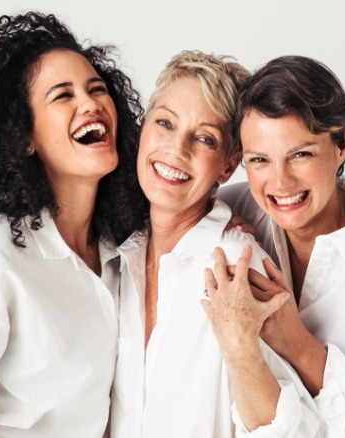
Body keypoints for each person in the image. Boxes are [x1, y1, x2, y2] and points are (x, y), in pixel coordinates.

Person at [0, 12, 148, 436]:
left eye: (96, 89)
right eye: (63, 95)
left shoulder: (123, 254)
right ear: (23, 137)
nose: (90, 104)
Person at [108, 50, 322, 437]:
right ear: (143, 129)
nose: (177, 149)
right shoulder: (116, 257)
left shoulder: (239, 267)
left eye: (204, 138)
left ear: (228, 165)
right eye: (165, 123)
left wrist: (242, 350)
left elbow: (294, 431)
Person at [217, 55, 345, 436]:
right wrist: (215, 226)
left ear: (341, 143)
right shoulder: (240, 208)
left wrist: (296, 341)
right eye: (259, 160)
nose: (280, 183)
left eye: (300, 154)